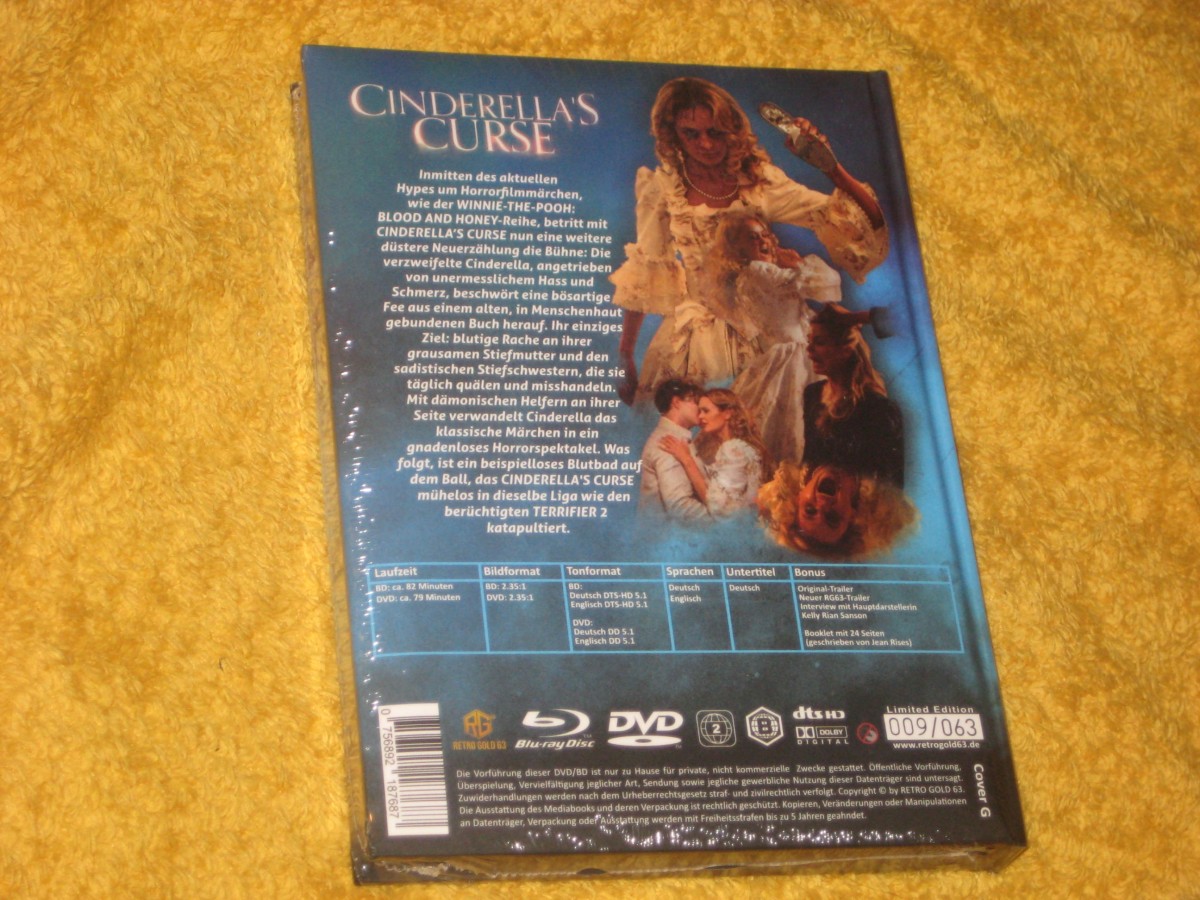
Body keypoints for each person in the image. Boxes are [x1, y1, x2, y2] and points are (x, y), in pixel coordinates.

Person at [609, 76, 889, 404]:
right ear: (674, 135)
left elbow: (861, 223)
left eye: (715, 132)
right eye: (691, 134)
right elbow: (647, 272)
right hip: (700, 339)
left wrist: (830, 167)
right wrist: (625, 354)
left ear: (732, 131)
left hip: (772, 331)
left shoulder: (759, 181)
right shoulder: (663, 188)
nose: (706, 144)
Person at [803, 304, 905, 486]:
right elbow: (809, 461)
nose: (809, 350)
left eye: (819, 342)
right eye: (809, 341)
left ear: (846, 349)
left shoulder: (877, 408)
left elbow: (890, 486)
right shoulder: (813, 394)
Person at [758, 461, 915, 558]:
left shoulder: (796, 450)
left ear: (798, 497)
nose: (822, 506)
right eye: (832, 518)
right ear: (853, 515)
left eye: (810, 511)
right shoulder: (889, 473)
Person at [659, 388, 768, 518]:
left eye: (706, 411)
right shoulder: (736, 447)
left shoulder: (733, 449)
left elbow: (719, 509)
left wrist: (686, 460)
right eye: (699, 411)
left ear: (727, 413)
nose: (700, 416)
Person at [637, 379, 709, 523]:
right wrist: (722, 523)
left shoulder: (675, 437)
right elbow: (680, 507)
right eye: (696, 402)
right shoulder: (668, 443)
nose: (701, 409)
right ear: (676, 402)